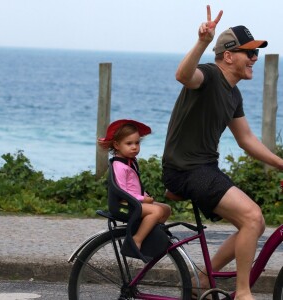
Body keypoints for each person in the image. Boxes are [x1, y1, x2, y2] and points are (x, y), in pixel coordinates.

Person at [162, 5, 283, 300]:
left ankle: (203, 278)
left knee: (253, 223)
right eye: (249, 53)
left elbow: (246, 139)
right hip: (186, 169)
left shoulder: (233, 93)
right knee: (253, 217)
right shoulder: (209, 75)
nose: (255, 58)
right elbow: (183, 75)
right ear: (228, 56)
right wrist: (203, 42)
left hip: (204, 168)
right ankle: (243, 293)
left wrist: (282, 164)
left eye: (256, 53)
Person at [98, 119, 171, 250]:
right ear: (116, 145)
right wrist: (143, 199)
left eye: (137, 143)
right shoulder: (119, 166)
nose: (134, 147)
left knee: (166, 209)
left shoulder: (129, 162)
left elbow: (134, 187)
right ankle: (137, 240)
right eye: (129, 143)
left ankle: (150, 233)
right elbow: (123, 191)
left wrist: (145, 196)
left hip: (133, 202)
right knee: (157, 211)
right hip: (123, 206)